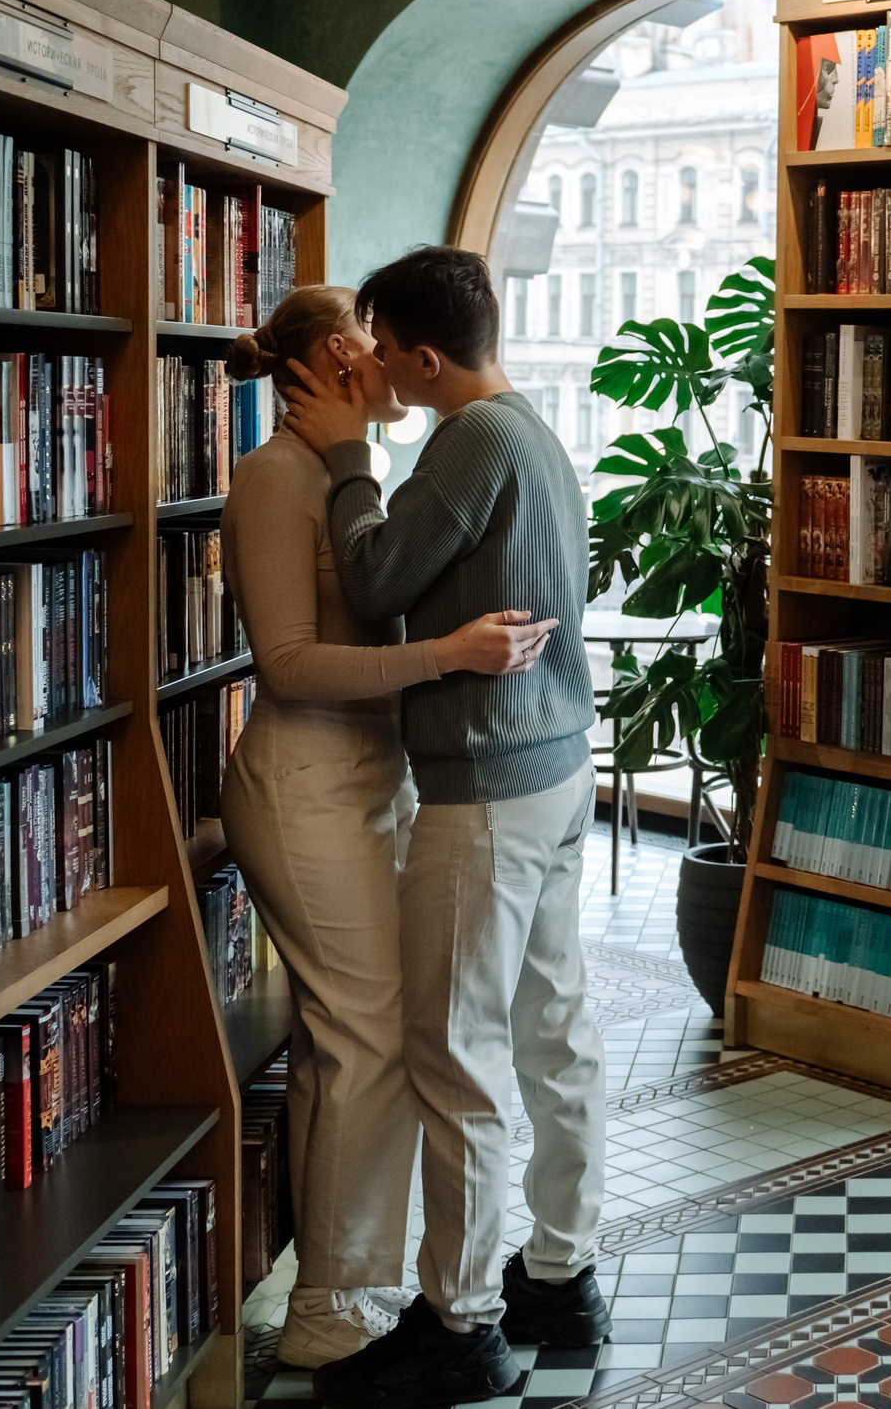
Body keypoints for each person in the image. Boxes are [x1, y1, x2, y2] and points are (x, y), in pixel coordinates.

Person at [278, 247, 610, 1408]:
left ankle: (461, 1320)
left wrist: (345, 457)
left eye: (383, 347)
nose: (370, 363)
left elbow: (372, 579)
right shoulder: (532, 424)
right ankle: (561, 1272)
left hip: (487, 786)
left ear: (425, 356)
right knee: (553, 1033)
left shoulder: (468, 439)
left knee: (456, 1056)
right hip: (558, 765)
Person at [216, 285, 552, 1370]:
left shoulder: (358, 473)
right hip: (303, 784)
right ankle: (335, 1313)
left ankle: (346, 1279)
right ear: (328, 362)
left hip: (377, 775)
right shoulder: (274, 478)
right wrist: (447, 655)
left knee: (354, 1042)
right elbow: (290, 665)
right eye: (369, 349)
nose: (395, 366)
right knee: (365, 1038)